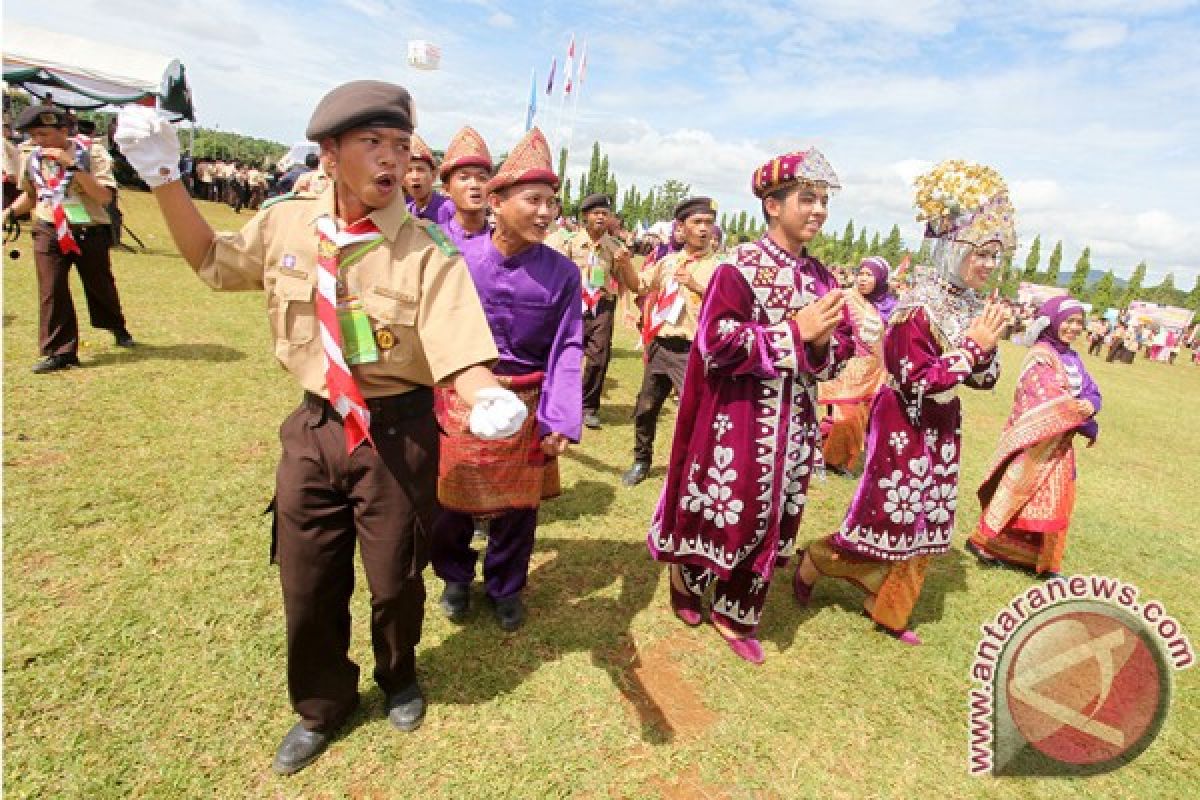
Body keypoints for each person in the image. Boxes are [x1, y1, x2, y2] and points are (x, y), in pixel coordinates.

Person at [114, 80, 530, 775]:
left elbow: (460, 350)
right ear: (330, 152)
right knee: (307, 584)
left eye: (400, 144)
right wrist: (163, 180)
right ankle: (322, 704)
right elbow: (215, 264)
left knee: (396, 579)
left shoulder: (428, 248)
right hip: (314, 429)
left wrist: (487, 394)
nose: (392, 158)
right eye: (373, 142)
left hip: (398, 434)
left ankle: (398, 676)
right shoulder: (286, 222)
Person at [794, 159, 1015, 646]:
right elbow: (916, 380)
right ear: (951, 248)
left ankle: (890, 609)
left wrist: (986, 350)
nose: (987, 265)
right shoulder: (916, 307)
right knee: (889, 512)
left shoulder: (971, 308)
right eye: (979, 252)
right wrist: (974, 347)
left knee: (930, 516)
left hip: (943, 422)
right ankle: (817, 559)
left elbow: (982, 380)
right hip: (905, 419)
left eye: (994, 256)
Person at [647, 148, 854, 664]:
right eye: (807, 199)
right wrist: (794, 332)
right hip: (736, 419)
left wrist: (824, 343)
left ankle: (737, 609)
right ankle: (688, 576)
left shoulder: (824, 279)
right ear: (772, 205)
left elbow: (842, 348)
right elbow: (716, 343)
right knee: (724, 505)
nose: (818, 210)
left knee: (777, 511)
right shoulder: (737, 268)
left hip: (797, 422)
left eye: (823, 200)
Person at [431, 127, 583, 631]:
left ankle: (506, 585)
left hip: (529, 399)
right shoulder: (458, 261)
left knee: (520, 507)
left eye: (551, 203)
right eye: (533, 200)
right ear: (497, 201)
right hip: (462, 396)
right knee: (452, 498)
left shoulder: (563, 273)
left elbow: (567, 344)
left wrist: (559, 415)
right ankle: (455, 576)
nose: (545, 212)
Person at [966, 296, 1100, 579]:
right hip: (1035, 440)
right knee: (1019, 491)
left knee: (1053, 498)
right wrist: (1085, 418)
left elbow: (1091, 390)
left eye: (1079, 322)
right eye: (1069, 321)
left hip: (1060, 442)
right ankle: (984, 543)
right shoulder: (1040, 355)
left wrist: (1091, 404)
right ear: (1052, 321)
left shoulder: (1072, 357)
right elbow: (1047, 398)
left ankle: (1040, 559)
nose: (1074, 328)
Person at [3, 104, 135, 373]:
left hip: (88, 230)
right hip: (48, 228)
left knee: (100, 286)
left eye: (44, 134)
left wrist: (73, 167)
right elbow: (31, 195)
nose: (39, 141)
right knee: (51, 289)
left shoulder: (92, 154)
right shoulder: (32, 157)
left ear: (64, 131)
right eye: (34, 136)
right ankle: (60, 352)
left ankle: (116, 326)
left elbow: (104, 197)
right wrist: (9, 212)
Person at [621, 197, 721, 487]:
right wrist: (626, 264)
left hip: (692, 352)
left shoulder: (720, 270)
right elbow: (638, 285)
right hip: (661, 346)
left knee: (694, 413)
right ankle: (641, 460)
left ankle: (694, 468)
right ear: (681, 227)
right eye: (696, 222)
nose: (703, 229)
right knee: (646, 407)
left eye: (708, 223)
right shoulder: (667, 262)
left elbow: (726, 308)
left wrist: (696, 286)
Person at [552, 193, 635, 429]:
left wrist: (626, 309)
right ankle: (563, 402)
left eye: (605, 214)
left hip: (602, 307)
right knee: (568, 355)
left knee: (598, 358)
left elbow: (621, 282)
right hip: (574, 304)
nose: (600, 217)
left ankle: (589, 407)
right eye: (596, 213)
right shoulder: (569, 243)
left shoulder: (615, 248)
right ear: (585, 216)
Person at [816, 256, 895, 476]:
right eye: (860, 273)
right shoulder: (846, 299)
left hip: (877, 371)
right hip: (850, 368)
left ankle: (834, 455)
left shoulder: (888, 306)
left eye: (869, 275)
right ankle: (831, 457)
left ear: (880, 279)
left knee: (861, 419)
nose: (862, 279)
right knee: (846, 415)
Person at [437, 126, 492, 248]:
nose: (474, 185)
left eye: (482, 178)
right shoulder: (433, 241)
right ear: (446, 189)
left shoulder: (502, 246)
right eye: (464, 177)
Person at [404, 133, 455, 225]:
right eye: (409, 171)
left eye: (420, 169)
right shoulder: (406, 211)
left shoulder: (450, 210)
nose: (415, 176)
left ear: (434, 175)